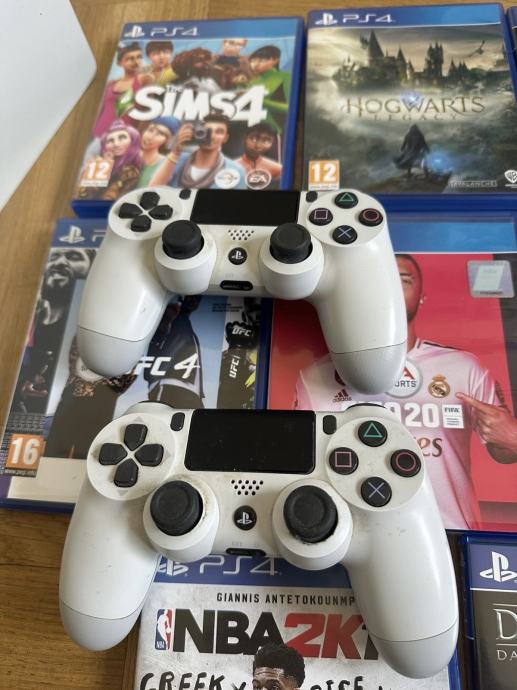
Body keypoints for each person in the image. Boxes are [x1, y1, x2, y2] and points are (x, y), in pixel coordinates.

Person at [294, 253, 517, 530]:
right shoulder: (315, 376)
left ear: (422, 296)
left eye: (403, 280)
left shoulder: (463, 366)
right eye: (381, 279)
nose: (391, 287)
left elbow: (504, 451)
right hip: (353, 531)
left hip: (449, 532)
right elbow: (302, 460)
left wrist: (511, 436)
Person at [149, 113, 246, 189]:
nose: (211, 136)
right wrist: (175, 152)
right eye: (207, 131)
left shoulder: (236, 170)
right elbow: (152, 189)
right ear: (197, 133)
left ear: (225, 138)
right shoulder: (176, 159)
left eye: (219, 132)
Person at [144, 296, 205, 408]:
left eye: (198, 298)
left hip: (192, 393)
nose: (194, 301)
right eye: (191, 296)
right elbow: (159, 333)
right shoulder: (172, 317)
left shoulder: (186, 324)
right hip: (169, 386)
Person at [92, 42, 150, 139]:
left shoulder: (145, 80)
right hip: (98, 134)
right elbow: (100, 110)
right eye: (130, 59)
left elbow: (148, 114)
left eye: (139, 57)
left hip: (123, 138)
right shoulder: (110, 84)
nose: (136, 62)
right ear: (119, 63)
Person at [78, 119, 142, 200]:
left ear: (132, 140)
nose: (116, 144)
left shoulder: (132, 171)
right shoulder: (100, 162)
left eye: (122, 138)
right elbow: (83, 195)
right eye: (110, 140)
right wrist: (103, 165)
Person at [247, 45, 291, 135]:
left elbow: (290, 108)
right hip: (251, 132)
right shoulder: (251, 83)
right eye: (253, 60)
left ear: (275, 60)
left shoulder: (286, 77)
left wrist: (261, 101)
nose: (256, 64)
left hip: (276, 132)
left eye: (262, 60)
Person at [138, 116, 179, 187]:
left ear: (166, 140)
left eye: (159, 134)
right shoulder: (131, 154)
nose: (150, 137)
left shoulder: (165, 164)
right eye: (150, 130)